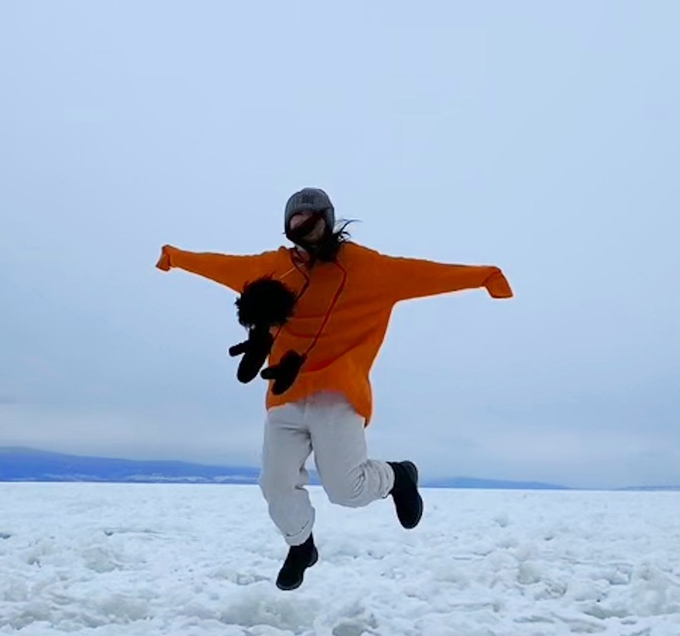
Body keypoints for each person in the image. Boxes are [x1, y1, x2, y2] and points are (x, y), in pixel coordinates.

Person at [158, 188, 512, 589]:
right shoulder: (272, 267)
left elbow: (425, 273)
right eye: (295, 225)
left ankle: (397, 476)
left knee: (347, 491)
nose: (304, 232)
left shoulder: (368, 268)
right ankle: (301, 546)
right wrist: (176, 258)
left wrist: (485, 277)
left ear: (328, 219)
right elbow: (220, 265)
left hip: (337, 392)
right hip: (284, 393)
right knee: (274, 484)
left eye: (312, 222)